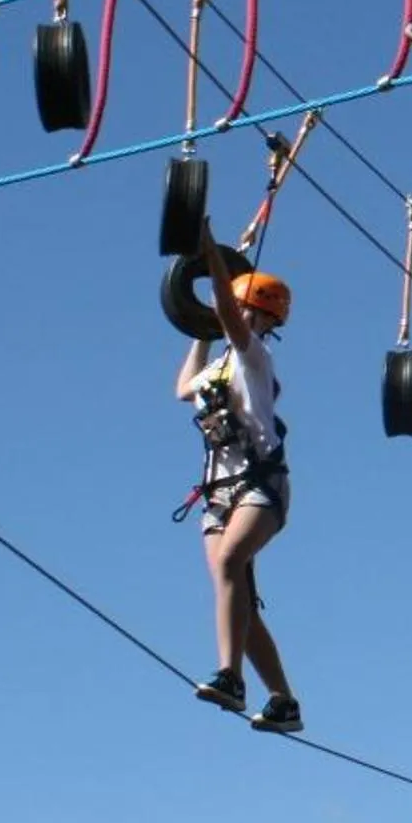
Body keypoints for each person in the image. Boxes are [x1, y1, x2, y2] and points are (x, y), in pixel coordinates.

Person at [175, 229, 303, 734]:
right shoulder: (223, 364)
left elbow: (230, 318)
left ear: (263, 319)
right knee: (236, 599)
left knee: (230, 564)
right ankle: (283, 700)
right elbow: (184, 388)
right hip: (218, 492)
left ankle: (230, 676)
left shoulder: (254, 358)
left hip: (260, 485)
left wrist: (209, 253)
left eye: (245, 311)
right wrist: (198, 328)